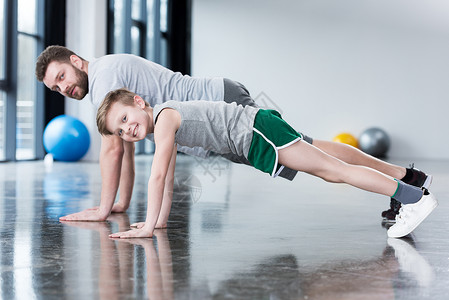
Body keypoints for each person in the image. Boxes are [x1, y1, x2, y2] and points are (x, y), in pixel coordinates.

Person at [35, 45, 431, 223]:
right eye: (55, 89)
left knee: (322, 164)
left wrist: (106, 210)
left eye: (62, 78)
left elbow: (113, 154)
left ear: (74, 61)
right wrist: (123, 205)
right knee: (313, 152)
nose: (64, 88)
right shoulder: (110, 76)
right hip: (223, 116)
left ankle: (406, 192)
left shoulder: (105, 82)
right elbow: (131, 152)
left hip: (225, 109)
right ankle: (403, 178)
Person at [95, 88, 438, 239]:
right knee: (329, 161)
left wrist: (146, 226)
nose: (127, 130)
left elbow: (155, 178)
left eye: (125, 118)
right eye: (120, 131)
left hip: (258, 131)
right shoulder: (160, 129)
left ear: (139, 102)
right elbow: (165, 181)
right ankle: (409, 182)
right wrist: (155, 222)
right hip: (259, 127)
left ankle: (414, 197)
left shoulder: (166, 117)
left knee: (334, 171)